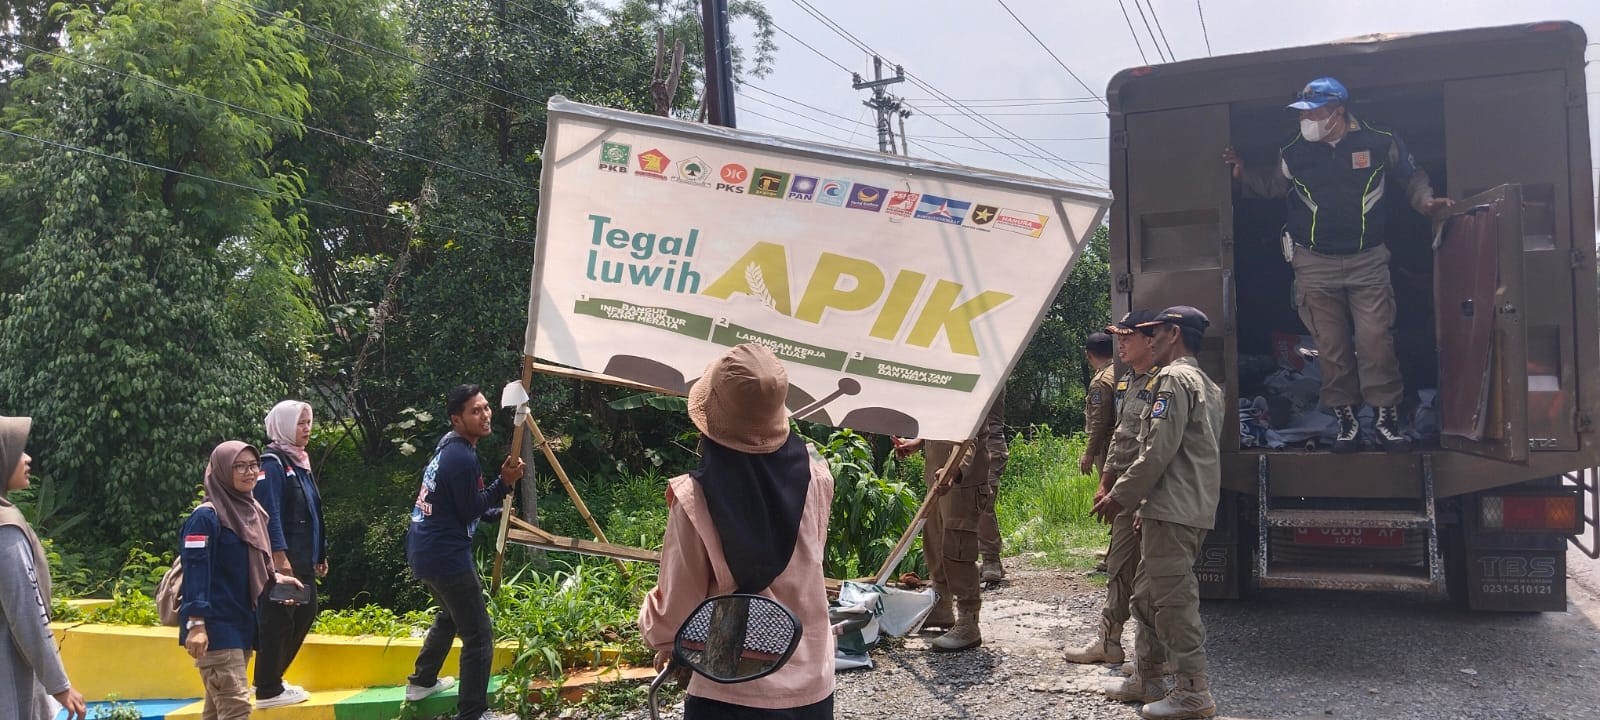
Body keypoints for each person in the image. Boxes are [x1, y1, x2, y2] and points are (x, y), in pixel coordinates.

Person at [1223, 76, 1451, 453]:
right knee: (1331, 346)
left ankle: (1385, 419)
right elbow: (1274, 186)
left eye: (1315, 112)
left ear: (1338, 111)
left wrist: (1425, 203)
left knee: (1376, 339)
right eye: (1303, 113)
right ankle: (1346, 422)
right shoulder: (1294, 150)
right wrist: (1242, 174)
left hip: (1368, 259)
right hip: (1314, 262)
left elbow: (1412, 176)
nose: (1307, 119)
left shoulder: (1379, 140)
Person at [638, 344, 836, 718]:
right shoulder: (817, 477)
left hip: (730, 690)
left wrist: (652, 623)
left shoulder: (695, 500)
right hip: (813, 683)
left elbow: (674, 615)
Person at [1092, 307, 1223, 720]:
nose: (1148, 339)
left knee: (1174, 601)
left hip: (1174, 508)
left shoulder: (1173, 379)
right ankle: (1147, 677)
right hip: (1178, 506)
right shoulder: (1207, 384)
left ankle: (1191, 692)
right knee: (1148, 595)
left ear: (1173, 334)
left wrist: (1121, 496)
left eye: (1154, 332)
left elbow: (1157, 450)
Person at [404, 384, 525, 720]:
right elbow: (469, 508)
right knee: (479, 635)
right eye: (475, 411)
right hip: (445, 556)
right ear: (457, 419)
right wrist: (504, 483)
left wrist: (495, 511)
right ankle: (473, 712)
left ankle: (422, 681)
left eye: (486, 408)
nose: (485, 415)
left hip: (425, 551)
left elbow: (461, 504)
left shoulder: (451, 447)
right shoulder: (460, 457)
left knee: (450, 615)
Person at [179, 441, 305, 720]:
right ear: (222, 470)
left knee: (216, 712)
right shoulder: (205, 518)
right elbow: (195, 574)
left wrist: (275, 579)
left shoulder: (250, 511)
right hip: (216, 630)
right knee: (236, 708)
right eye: (239, 466)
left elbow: (250, 566)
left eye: (253, 465)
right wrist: (196, 624)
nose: (249, 472)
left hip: (242, 626)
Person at [1065, 311, 1160, 668]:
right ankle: (1109, 640)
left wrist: (1138, 495)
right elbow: (1120, 436)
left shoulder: (1162, 383)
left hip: (1146, 492)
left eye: (1127, 336)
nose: (1120, 343)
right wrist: (1106, 482)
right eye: (1117, 337)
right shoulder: (1128, 381)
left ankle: (1154, 658)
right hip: (1123, 488)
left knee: (1153, 578)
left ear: (1149, 340)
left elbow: (1156, 449)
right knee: (1119, 567)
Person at [893, 390, 1006, 652]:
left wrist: (955, 470)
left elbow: (973, 437)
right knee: (934, 546)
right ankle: (942, 607)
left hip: (962, 484)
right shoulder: (946, 381)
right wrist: (918, 443)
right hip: (939, 481)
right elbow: (941, 424)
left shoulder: (975, 382)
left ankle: (969, 621)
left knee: (957, 550)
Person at [0, 417, 87, 720]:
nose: (27, 458)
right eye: (17, 451)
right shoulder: (5, 528)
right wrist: (59, 685)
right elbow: (26, 611)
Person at [252, 400, 328, 708]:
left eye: (309, 421)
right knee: (278, 618)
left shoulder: (300, 462)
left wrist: (320, 552)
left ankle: (272, 679)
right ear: (283, 425)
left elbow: (313, 511)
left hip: (303, 558)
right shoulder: (272, 463)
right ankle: (268, 688)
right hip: (284, 561)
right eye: (300, 422)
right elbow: (269, 514)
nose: (307, 428)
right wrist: (280, 558)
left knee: (304, 612)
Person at [976, 390, 1009, 583]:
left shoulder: (992, 373)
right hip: (965, 446)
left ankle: (991, 560)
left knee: (984, 501)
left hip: (990, 447)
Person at [1080, 332, 1117, 474]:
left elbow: (1099, 421)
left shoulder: (1100, 382)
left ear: (1088, 355)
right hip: (1120, 441)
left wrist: (1090, 453)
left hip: (1106, 443)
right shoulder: (1119, 371)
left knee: (1106, 486)